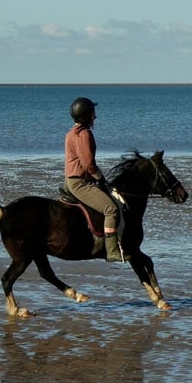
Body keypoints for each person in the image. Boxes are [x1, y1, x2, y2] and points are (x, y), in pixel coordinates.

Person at [64, 97, 127, 262]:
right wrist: (101, 179)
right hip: (80, 183)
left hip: (70, 180)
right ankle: (112, 251)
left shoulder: (71, 133)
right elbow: (89, 164)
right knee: (111, 209)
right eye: (93, 113)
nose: (95, 117)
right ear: (86, 115)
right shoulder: (84, 134)